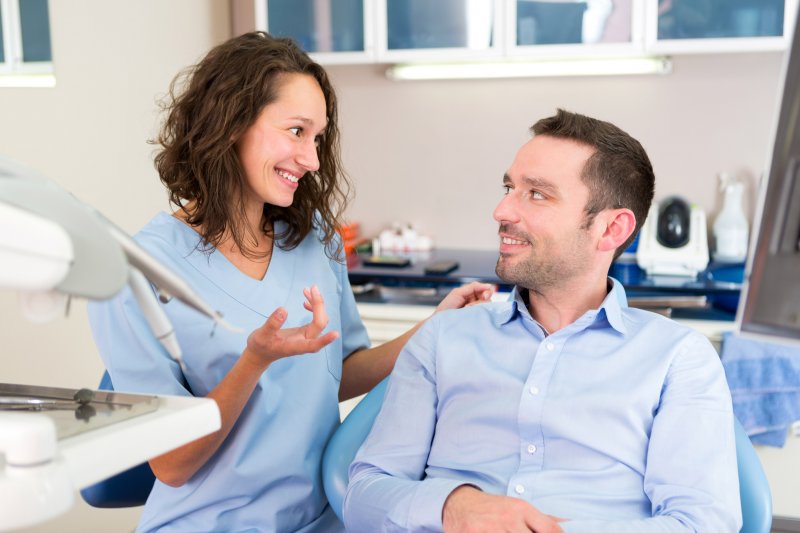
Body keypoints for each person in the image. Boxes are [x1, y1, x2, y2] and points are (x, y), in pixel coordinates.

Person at [87, 32, 493, 533]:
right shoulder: (134, 273)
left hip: (324, 518)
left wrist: (433, 328)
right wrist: (255, 361)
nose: (313, 159)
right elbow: (172, 466)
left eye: (318, 138)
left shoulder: (312, 236)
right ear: (230, 124)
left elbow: (335, 372)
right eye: (297, 131)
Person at [344, 109, 742, 532]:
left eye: (537, 194)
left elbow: (702, 523)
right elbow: (364, 497)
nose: (501, 210)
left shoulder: (678, 358)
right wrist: (452, 508)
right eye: (508, 187)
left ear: (610, 229)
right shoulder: (443, 337)